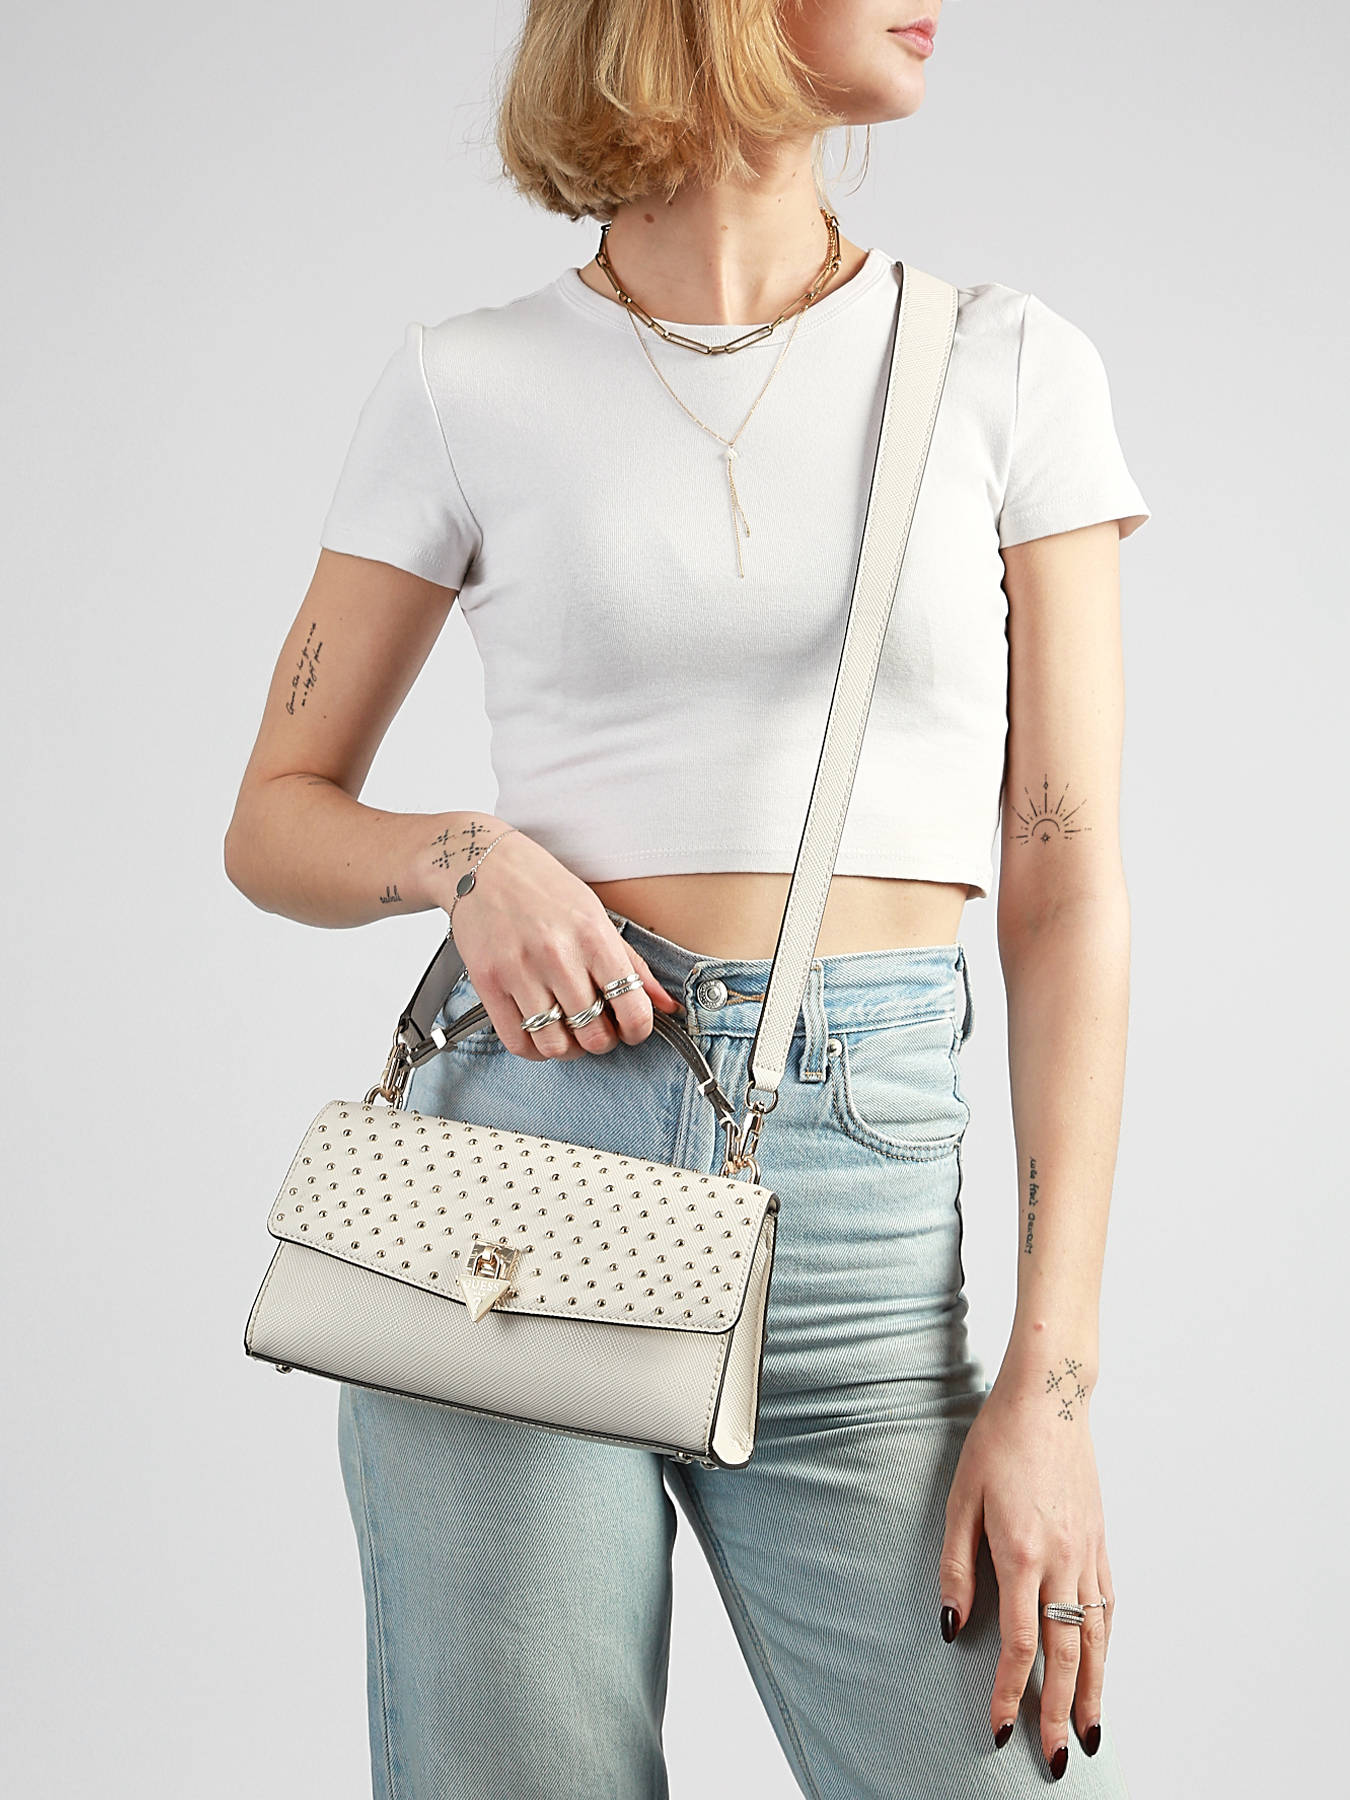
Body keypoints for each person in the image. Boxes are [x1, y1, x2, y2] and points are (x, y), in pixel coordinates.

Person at [224, 3, 1149, 1795]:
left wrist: (1049, 1389)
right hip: (513, 1205)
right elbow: (275, 818)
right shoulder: (466, 384)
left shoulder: (1005, 365)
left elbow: (1064, 885)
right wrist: (463, 856)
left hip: (860, 1216)